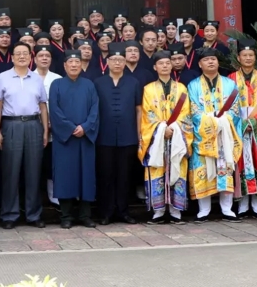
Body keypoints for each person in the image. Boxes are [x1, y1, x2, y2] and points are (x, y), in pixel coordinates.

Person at [0, 42, 49, 229]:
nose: (22, 57)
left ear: (31, 56)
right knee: (11, 170)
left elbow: (43, 106)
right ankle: (9, 214)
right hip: (11, 125)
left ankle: (34, 214)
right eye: (18, 54)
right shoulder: (3, 77)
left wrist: (45, 130)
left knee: (34, 171)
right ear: (12, 57)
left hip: (34, 125)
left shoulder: (36, 79)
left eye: (25, 53)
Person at [187, 48, 242, 223]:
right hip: (204, 135)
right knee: (203, 168)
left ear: (218, 62)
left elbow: (235, 109)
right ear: (200, 64)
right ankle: (204, 209)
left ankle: (227, 208)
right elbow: (193, 110)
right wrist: (211, 122)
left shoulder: (229, 84)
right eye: (207, 60)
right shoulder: (193, 85)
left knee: (225, 167)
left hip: (225, 133)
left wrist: (222, 121)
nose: (210, 62)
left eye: (213, 59)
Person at [138, 50, 193, 224]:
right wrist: (162, 129)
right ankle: (159, 211)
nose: (164, 66)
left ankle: (176, 210)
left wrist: (174, 128)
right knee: (157, 170)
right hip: (157, 138)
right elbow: (148, 115)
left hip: (177, 135)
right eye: (161, 63)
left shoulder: (181, 88)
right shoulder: (148, 89)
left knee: (177, 166)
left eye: (167, 63)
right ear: (155, 67)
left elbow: (186, 114)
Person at [49, 50, 99, 229]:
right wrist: (70, 128)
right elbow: (54, 110)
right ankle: (66, 216)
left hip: (85, 138)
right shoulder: (56, 84)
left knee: (86, 175)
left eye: (77, 62)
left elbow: (95, 109)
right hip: (65, 139)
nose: (74, 65)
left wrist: (85, 127)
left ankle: (85, 215)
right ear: (64, 65)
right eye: (70, 62)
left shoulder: (89, 85)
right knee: (65, 176)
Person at [94, 43, 141, 225]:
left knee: (124, 176)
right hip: (104, 136)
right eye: (113, 59)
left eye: (120, 60)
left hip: (128, 136)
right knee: (105, 175)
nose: (117, 63)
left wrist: (138, 135)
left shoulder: (133, 82)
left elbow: (138, 110)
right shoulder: (98, 82)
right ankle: (105, 212)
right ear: (107, 61)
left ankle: (123, 211)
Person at [227, 39, 257, 220]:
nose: (247, 58)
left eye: (251, 55)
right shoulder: (231, 78)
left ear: (255, 57)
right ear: (238, 57)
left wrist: (255, 122)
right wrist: (239, 124)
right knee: (241, 165)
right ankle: (243, 205)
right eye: (244, 55)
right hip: (238, 127)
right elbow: (227, 104)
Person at [34, 45, 62, 208]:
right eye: (41, 55)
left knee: (52, 162)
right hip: (32, 127)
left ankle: (53, 197)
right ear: (35, 58)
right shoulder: (29, 77)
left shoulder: (57, 78)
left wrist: (52, 123)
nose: (44, 58)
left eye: (47, 56)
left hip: (54, 129)